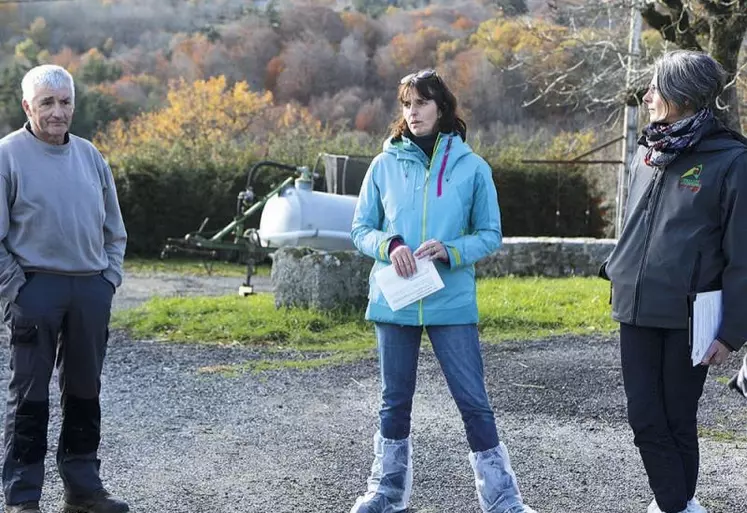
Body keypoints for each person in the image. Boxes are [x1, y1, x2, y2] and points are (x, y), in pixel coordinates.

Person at [349, 69, 536, 513]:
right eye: (406, 104)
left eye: (421, 103)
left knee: (473, 402)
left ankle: (504, 501)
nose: (412, 112)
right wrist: (389, 243)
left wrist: (451, 250)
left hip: (450, 302)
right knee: (393, 402)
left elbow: (490, 234)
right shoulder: (383, 165)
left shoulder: (472, 167)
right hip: (396, 302)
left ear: (442, 107)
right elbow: (360, 229)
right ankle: (387, 494)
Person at [601, 50, 747, 513]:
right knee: (644, 418)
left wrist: (732, 332)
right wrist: (617, 271)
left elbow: (743, 254)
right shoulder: (649, 152)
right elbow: (633, 227)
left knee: (678, 419)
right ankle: (678, 505)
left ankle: (674, 506)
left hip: (692, 317)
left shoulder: (732, 160)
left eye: (656, 88)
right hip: (635, 306)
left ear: (682, 95)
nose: (647, 95)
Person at [0, 65, 128, 513]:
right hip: (35, 290)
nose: (58, 112)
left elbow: (115, 230)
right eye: (47, 103)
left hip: (90, 290)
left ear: (74, 104)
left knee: (84, 391)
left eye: (65, 102)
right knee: (30, 396)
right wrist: (17, 288)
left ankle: (83, 489)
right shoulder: (7, 156)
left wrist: (108, 280)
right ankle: (22, 498)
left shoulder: (92, 156)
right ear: (27, 106)